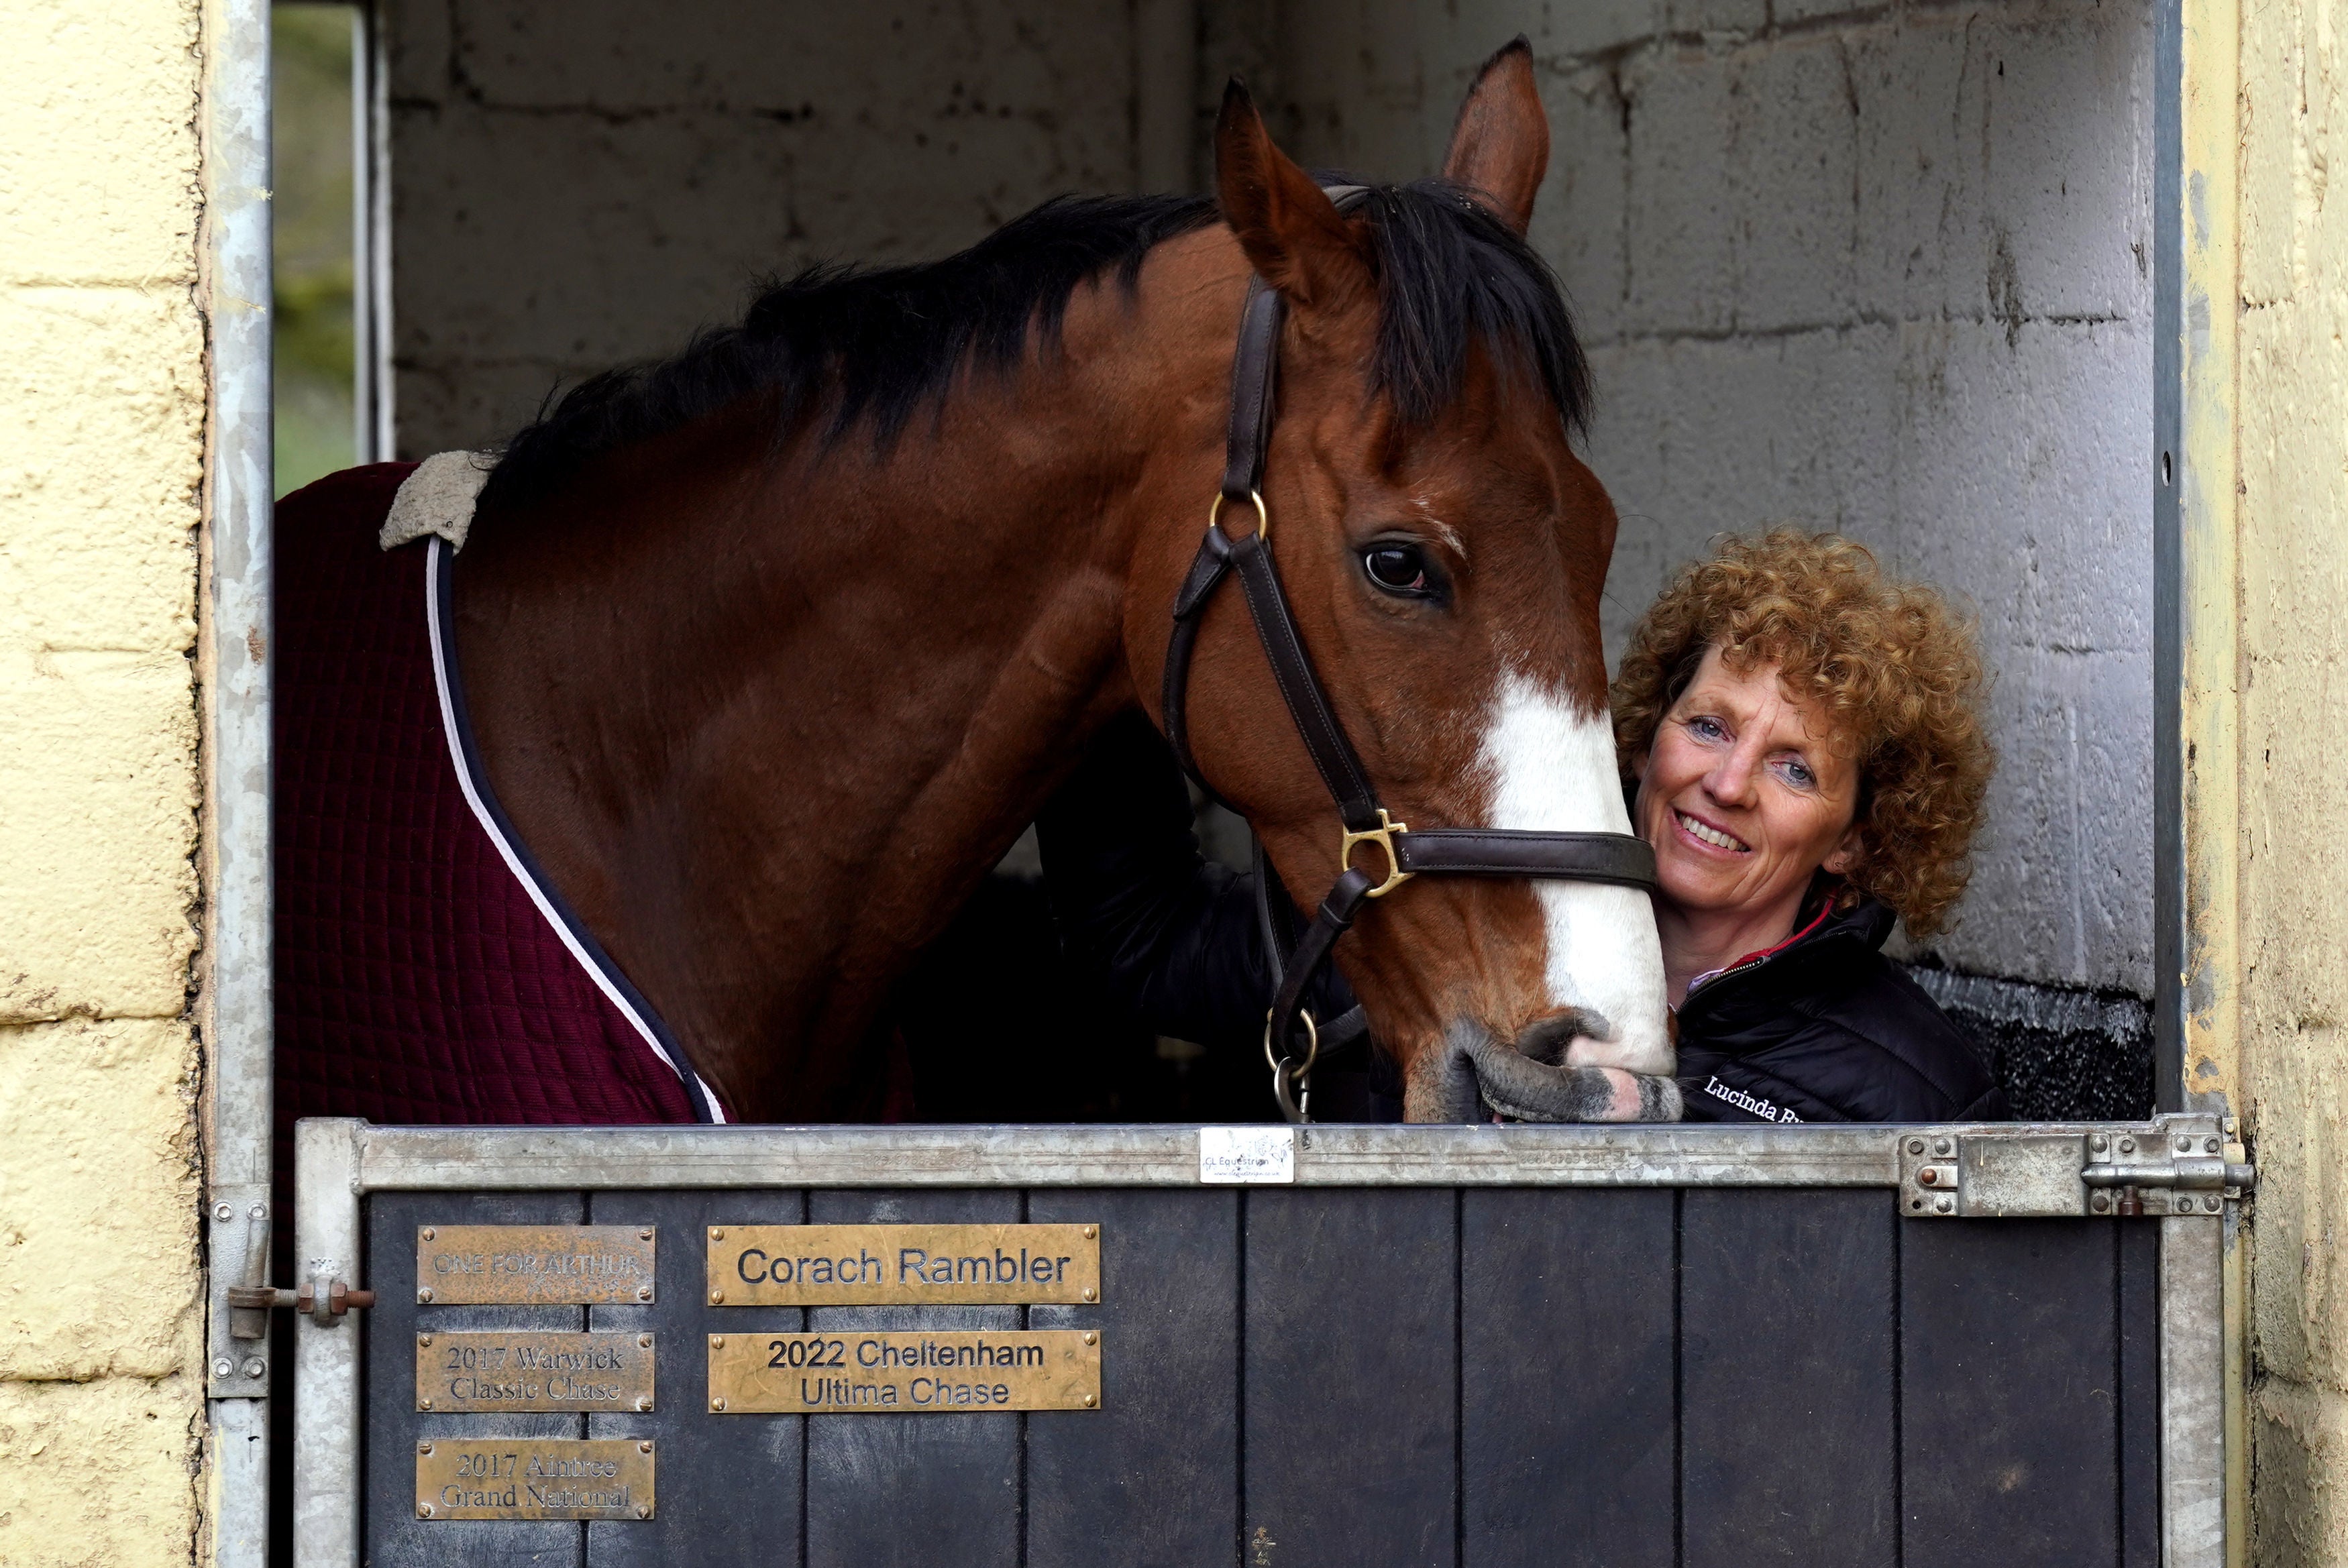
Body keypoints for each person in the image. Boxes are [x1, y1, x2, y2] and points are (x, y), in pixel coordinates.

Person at [1038, 530, 2010, 1123]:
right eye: (1707, 724)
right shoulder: (1440, 931)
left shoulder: (1915, 1089)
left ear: (1857, 836)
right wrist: (1094, 643)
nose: (1727, 781)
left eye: (1793, 765)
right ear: (1642, 739)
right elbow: (1145, 944)